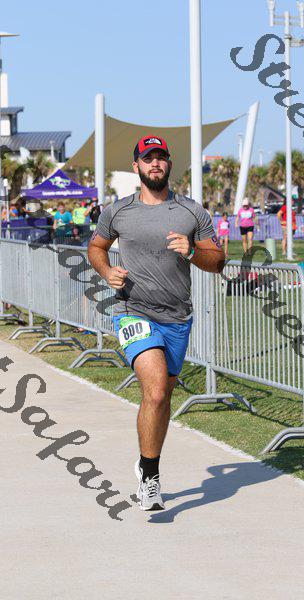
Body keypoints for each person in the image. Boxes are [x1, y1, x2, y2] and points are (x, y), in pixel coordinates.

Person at [88, 135, 224, 511]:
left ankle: (145, 462)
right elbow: (96, 247)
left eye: (161, 157)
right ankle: (151, 479)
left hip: (177, 317)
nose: (155, 164)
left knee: (162, 397)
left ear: (169, 164)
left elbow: (218, 261)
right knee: (158, 391)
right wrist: (106, 271)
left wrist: (193, 252)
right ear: (137, 166)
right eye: (148, 158)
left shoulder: (191, 211)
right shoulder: (118, 211)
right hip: (133, 311)